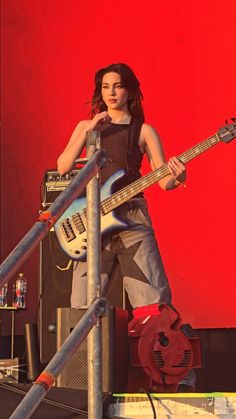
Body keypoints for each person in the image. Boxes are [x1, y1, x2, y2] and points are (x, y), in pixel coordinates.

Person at [57, 63, 195, 390]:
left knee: (154, 298)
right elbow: (64, 166)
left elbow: (163, 181)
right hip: (93, 223)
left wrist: (180, 174)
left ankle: (173, 378)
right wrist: (90, 128)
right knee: (82, 307)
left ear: (129, 90)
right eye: (105, 87)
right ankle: (79, 387)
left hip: (133, 217)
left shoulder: (143, 131)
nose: (111, 93)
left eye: (118, 86)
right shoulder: (86, 127)